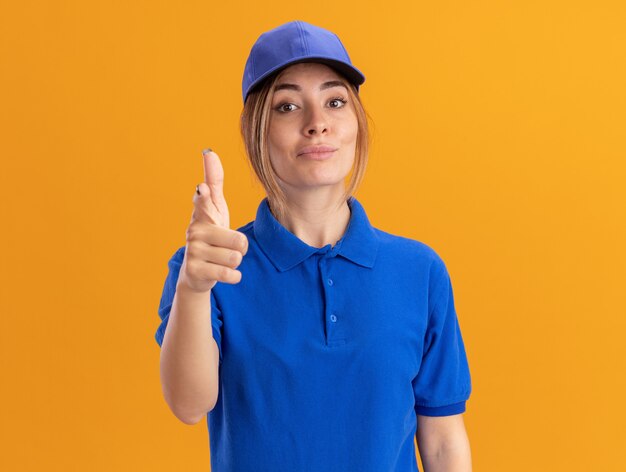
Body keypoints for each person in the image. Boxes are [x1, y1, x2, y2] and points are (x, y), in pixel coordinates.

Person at [156, 20, 472, 472]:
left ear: (357, 124)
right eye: (287, 106)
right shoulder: (210, 267)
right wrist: (193, 289)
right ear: (256, 133)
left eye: (335, 101)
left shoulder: (419, 271)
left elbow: (442, 439)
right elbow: (188, 404)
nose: (317, 124)